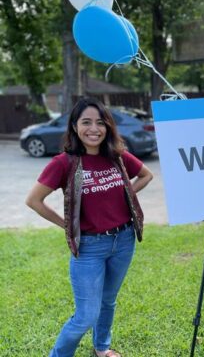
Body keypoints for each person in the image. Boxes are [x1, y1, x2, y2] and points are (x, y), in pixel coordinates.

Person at [26, 97, 153, 357]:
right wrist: (67, 225)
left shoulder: (117, 156)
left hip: (124, 240)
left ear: (108, 127)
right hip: (90, 247)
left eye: (100, 122)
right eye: (86, 122)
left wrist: (128, 193)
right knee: (85, 315)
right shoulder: (64, 162)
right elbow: (34, 201)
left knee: (108, 301)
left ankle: (102, 348)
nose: (93, 128)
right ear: (74, 126)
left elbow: (146, 175)